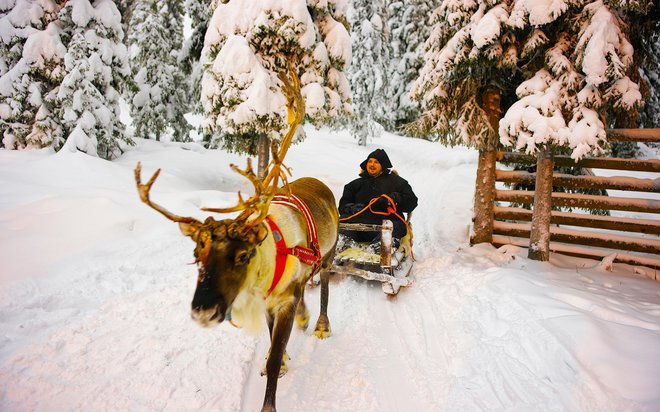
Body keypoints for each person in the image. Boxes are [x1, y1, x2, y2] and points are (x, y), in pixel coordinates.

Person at [338, 149, 418, 250]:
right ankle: (344, 242)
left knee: (395, 226)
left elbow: (412, 202)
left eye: (376, 162)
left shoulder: (397, 182)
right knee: (341, 222)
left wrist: (395, 198)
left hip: (386, 224)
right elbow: (342, 206)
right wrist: (350, 207)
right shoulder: (354, 185)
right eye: (370, 161)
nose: (372, 164)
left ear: (383, 165)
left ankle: (379, 247)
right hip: (359, 226)